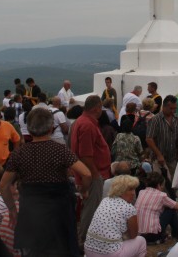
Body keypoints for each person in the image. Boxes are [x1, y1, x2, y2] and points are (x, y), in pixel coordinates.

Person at [0, 107, 91, 256]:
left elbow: (3, 185)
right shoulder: (60, 150)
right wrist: (84, 191)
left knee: (35, 251)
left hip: (31, 209)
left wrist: (12, 210)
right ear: (50, 127)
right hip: (58, 210)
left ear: (29, 129)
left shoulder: (19, 153)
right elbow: (86, 174)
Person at [70, 95, 112, 248]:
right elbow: (86, 155)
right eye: (101, 107)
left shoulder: (81, 122)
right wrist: (95, 175)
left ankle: (86, 240)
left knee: (90, 207)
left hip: (89, 174)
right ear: (96, 108)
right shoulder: (87, 125)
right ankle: (85, 241)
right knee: (91, 209)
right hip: (92, 175)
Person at [84, 175, 146, 257]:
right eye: (130, 189)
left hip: (88, 250)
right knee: (141, 240)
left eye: (134, 189)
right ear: (120, 190)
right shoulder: (129, 208)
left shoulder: (105, 200)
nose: (133, 193)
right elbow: (133, 235)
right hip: (110, 253)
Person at [135, 172, 178, 243]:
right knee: (171, 210)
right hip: (152, 235)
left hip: (139, 233)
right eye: (162, 185)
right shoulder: (161, 195)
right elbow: (177, 206)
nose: (163, 187)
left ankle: (176, 235)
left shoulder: (141, 192)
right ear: (158, 185)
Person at [146, 95, 178, 180]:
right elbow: (149, 139)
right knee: (161, 183)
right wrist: (159, 154)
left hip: (172, 157)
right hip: (158, 159)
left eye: (175, 108)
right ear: (164, 107)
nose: (173, 111)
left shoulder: (177, 118)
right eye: (171, 108)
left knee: (173, 183)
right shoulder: (155, 120)